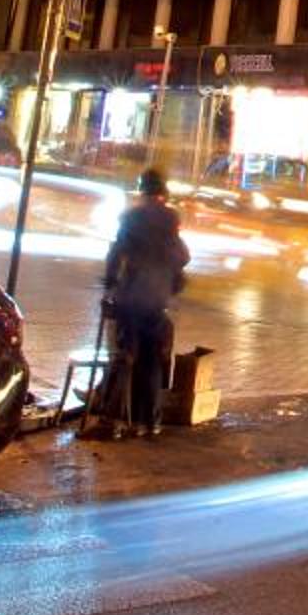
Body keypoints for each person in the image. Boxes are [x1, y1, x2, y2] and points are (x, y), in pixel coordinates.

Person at [101, 168, 190, 437]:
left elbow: (116, 253)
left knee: (124, 358)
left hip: (131, 298)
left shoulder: (132, 217)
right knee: (151, 362)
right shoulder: (171, 218)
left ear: (143, 190)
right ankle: (148, 422)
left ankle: (114, 421)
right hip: (157, 299)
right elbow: (183, 256)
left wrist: (110, 283)